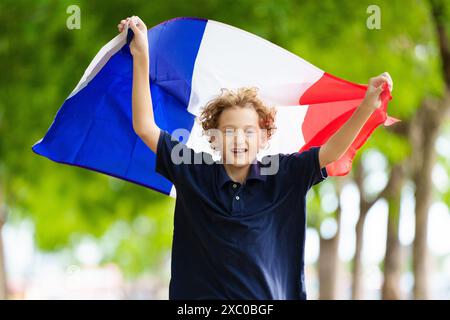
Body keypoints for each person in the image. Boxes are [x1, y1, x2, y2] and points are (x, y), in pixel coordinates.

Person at [118, 16, 393, 299]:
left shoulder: (285, 175)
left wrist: (367, 107)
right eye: (229, 131)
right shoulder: (193, 171)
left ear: (263, 137)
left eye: (249, 132)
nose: (239, 139)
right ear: (213, 137)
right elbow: (145, 126)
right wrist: (142, 56)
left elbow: (332, 151)